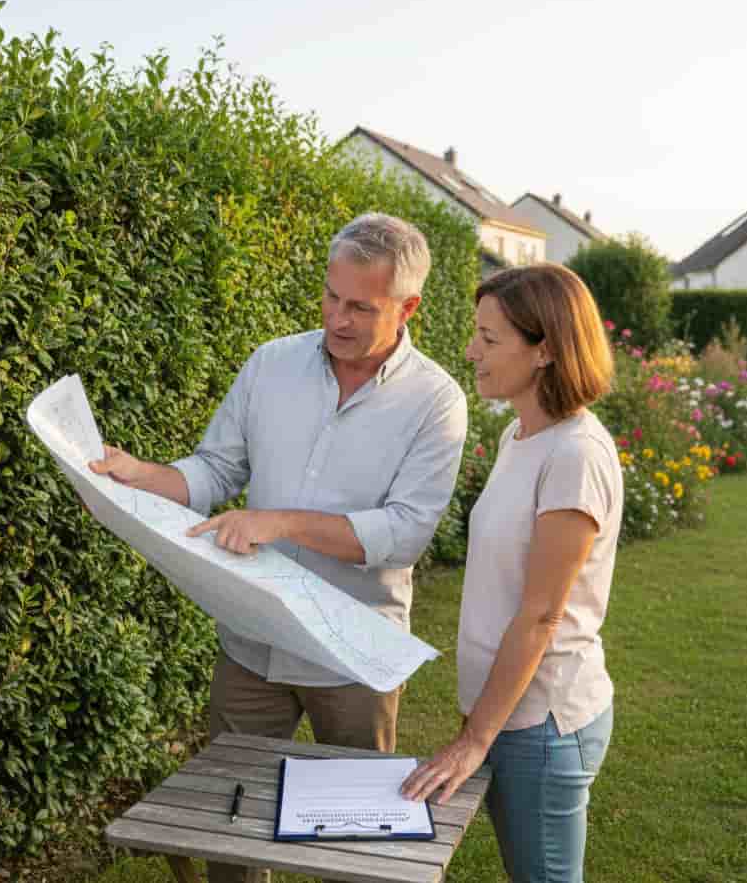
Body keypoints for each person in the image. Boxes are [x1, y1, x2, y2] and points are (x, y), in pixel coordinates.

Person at [90, 212, 467, 883]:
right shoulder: (271, 363)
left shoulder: (437, 401)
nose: (338, 318)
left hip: (352, 653)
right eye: (330, 296)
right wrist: (143, 474)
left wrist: (281, 522)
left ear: (409, 306)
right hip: (251, 644)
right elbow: (213, 471)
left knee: (357, 842)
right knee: (228, 825)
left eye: (361, 306)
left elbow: (404, 533)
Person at [402, 263, 623, 883]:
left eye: (489, 339)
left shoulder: (574, 455)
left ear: (545, 349)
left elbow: (542, 614)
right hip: (503, 714)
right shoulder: (519, 435)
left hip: (543, 725)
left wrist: (475, 740)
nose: (471, 350)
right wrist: (478, 725)